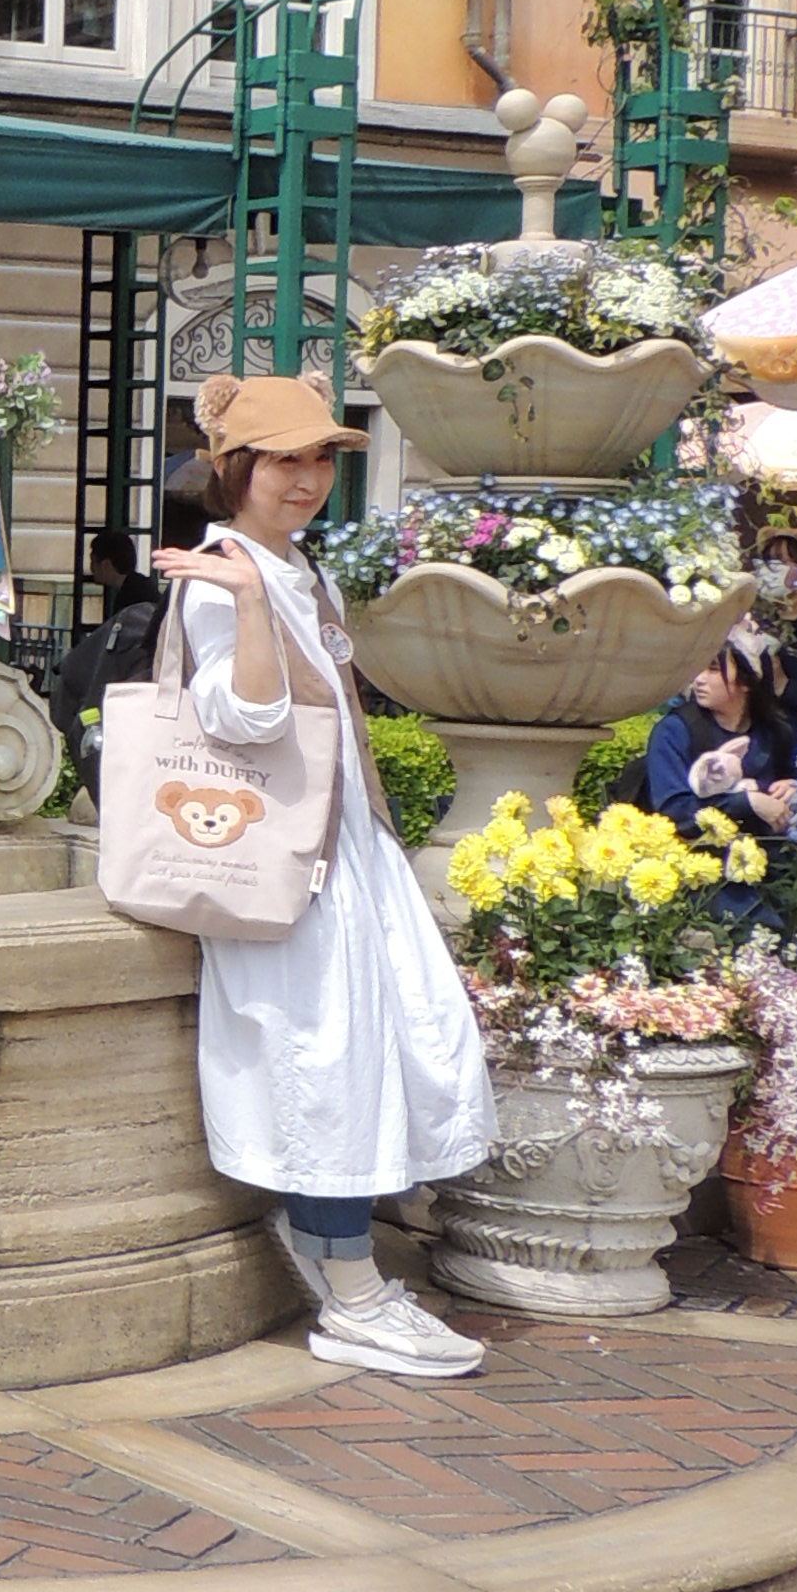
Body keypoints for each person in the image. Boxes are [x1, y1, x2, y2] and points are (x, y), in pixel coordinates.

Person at [155, 372, 499, 1379]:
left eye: (318, 459)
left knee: (372, 1059)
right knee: (328, 1071)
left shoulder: (295, 567)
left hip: (341, 853)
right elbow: (246, 719)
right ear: (235, 469)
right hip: (283, 871)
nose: (306, 480)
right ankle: (351, 1294)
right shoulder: (225, 575)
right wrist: (250, 605)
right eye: (283, 461)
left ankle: (336, 1260)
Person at [52, 501, 205, 794]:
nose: (90, 568)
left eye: (93, 561)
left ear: (106, 564)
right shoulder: (138, 589)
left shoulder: (134, 604)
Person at [646, 626, 797, 866]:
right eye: (698, 668)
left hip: (771, 865)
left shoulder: (775, 732)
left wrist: (796, 789)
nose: (699, 679)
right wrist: (748, 803)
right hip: (699, 866)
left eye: (713, 669)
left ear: (747, 680)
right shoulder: (674, 731)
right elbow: (673, 811)